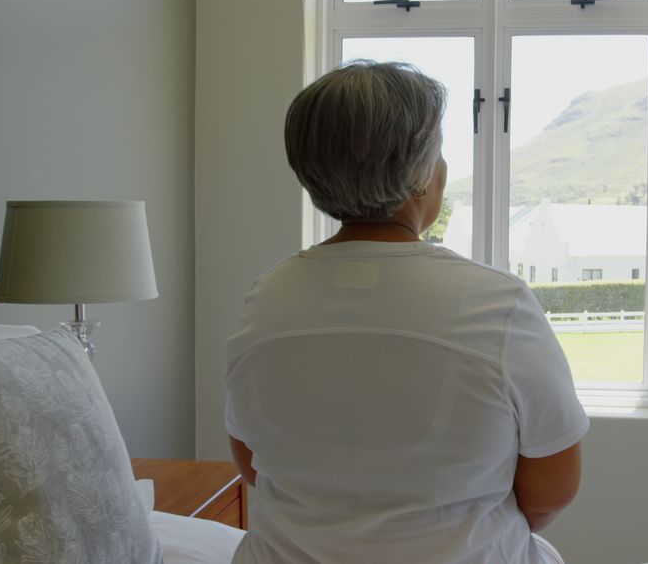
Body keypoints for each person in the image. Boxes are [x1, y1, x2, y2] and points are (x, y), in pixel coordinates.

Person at [225, 60, 588, 564]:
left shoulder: (264, 301)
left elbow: (251, 462)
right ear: (422, 175)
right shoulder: (498, 304)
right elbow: (552, 489)